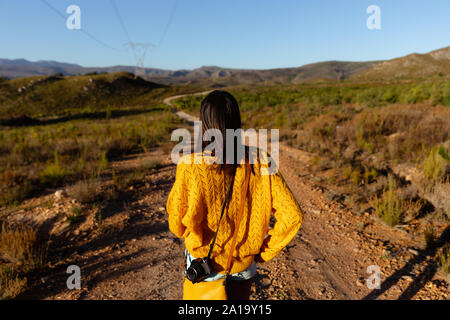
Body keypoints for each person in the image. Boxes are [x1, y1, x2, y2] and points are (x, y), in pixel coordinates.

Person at [166, 90, 303, 300]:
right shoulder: (260, 161)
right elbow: (293, 215)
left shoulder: (190, 165)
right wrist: (262, 251)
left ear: (204, 123)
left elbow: (177, 225)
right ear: (236, 121)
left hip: (205, 265)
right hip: (243, 265)